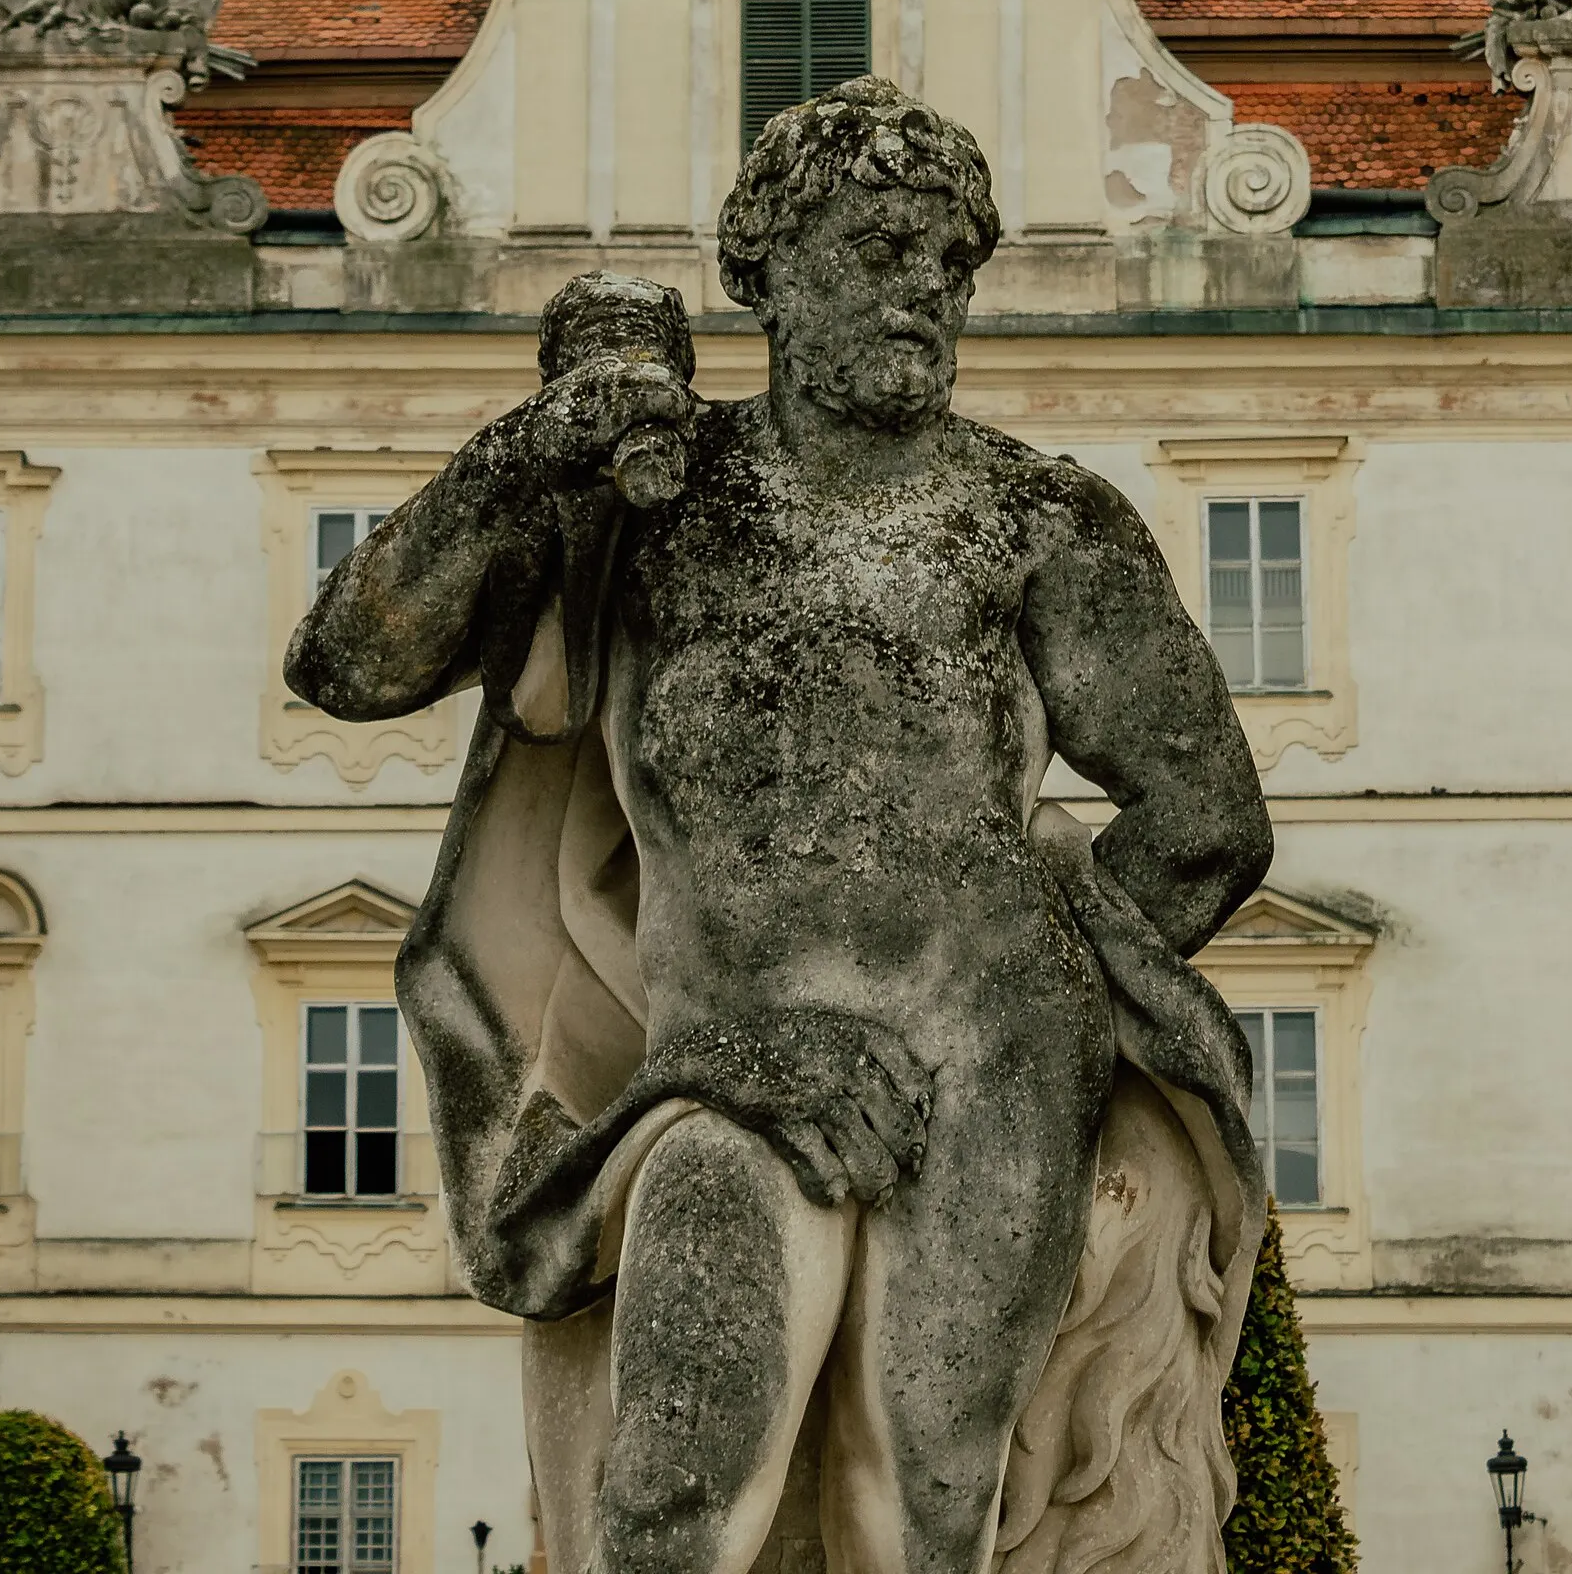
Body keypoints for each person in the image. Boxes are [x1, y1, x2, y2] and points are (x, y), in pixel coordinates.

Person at [287, 79, 1271, 1574]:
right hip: (728, 1076)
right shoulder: (655, 502)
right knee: (677, 1491)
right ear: (768, 266)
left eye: (952, 261)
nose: (924, 289)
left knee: (927, 1512)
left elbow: (1207, 818)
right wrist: (529, 451)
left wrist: (1035, 977)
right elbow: (349, 664)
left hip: (990, 1074)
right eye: (883, 247)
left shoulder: (1036, 519)